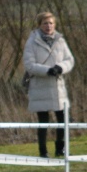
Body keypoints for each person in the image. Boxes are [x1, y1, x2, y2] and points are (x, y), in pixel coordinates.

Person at [23, 12, 75, 158]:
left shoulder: (60, 40)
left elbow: (69, 60)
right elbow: (29, 64)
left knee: (62, 119)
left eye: (51, 23)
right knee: (43, 121)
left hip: (58, 87)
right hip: (40, 86)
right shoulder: (32, 42)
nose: (48, 26)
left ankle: (61, 149)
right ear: (39, 25)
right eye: (45, 23)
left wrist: (60, 68)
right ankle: (43, 151)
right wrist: (47, 71)